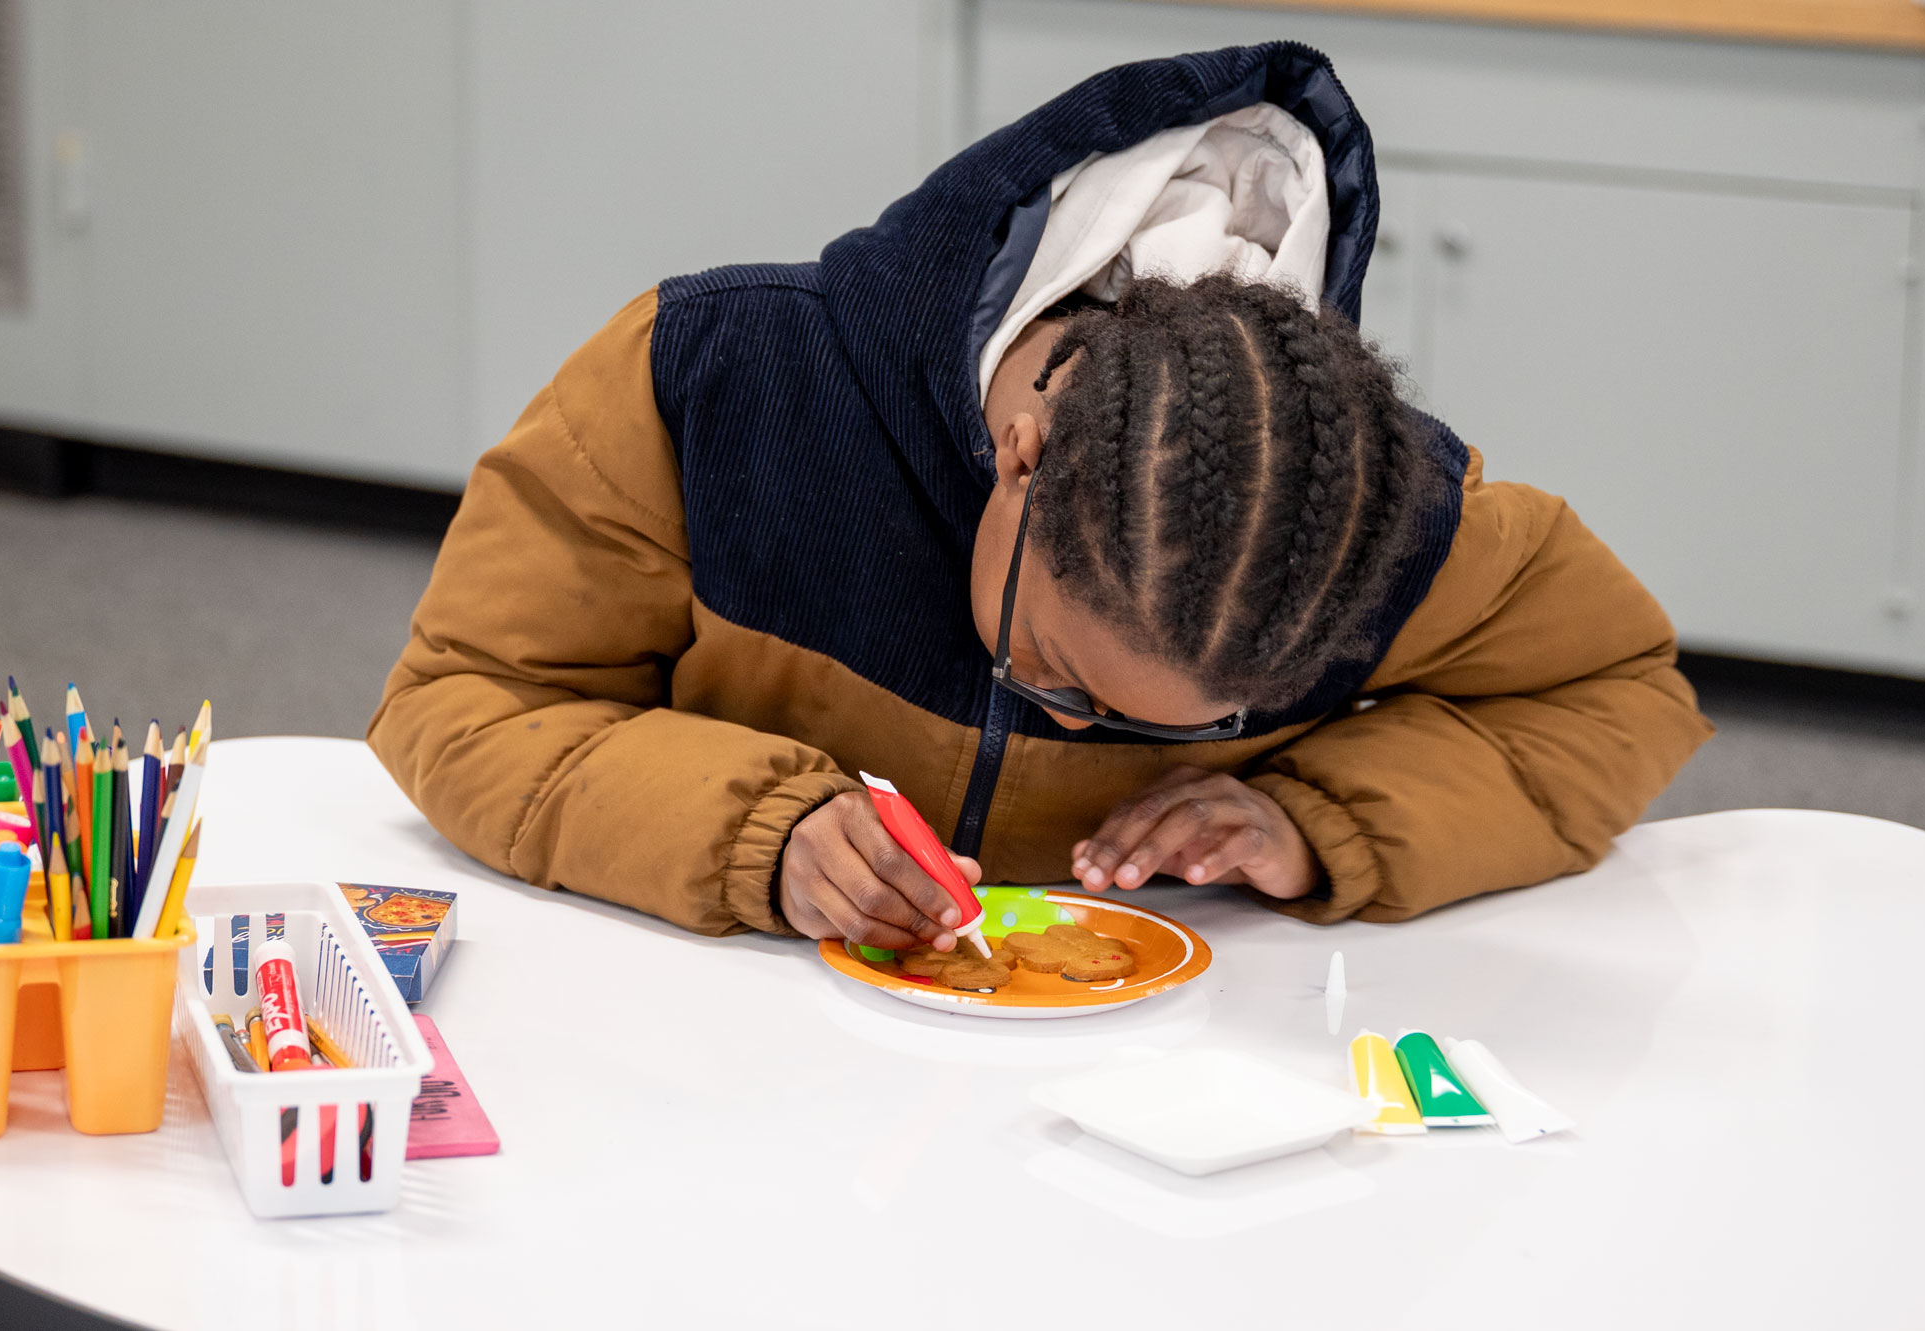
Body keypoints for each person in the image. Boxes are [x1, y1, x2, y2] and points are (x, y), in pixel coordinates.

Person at [369, 41, 1711, 954]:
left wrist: (1318, 819)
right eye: (1057, 670)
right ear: (1020, 454)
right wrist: (761, 835)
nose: (1067, 725)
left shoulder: (1383, 521)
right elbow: (465, 701)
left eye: (1180, 730)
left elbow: (1616, 697)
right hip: (740, 1066)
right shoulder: (716, 374)